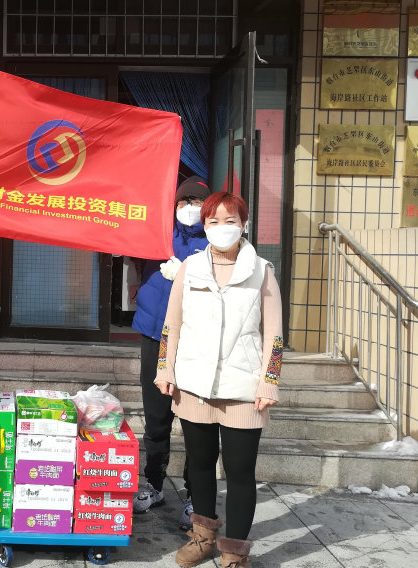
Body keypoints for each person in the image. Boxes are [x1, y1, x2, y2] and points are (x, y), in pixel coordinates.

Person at [154, 191, 282, 568]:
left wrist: (269, 381)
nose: (221, 227)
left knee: (240, 471)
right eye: (213, 221)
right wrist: (165, 368)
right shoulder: (190, 268)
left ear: (244, 224)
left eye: (230, 220)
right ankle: (203, 538)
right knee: (199, 464)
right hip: (194, 384)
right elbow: (171, 325)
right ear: (204, 226)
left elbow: (274, 334)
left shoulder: (262, 270)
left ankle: (235, 552)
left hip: (244, 388)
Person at [132, 176, 211, 527]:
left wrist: (189, 274)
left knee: (196, 421)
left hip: (196, 340)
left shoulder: (218, 241)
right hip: (155, 336)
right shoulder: (158, 232)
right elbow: (126, 239)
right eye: (184, 201)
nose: (189, 208)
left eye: (197, 202)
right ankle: (153, 484)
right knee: (156, 418)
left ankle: (195, 495)